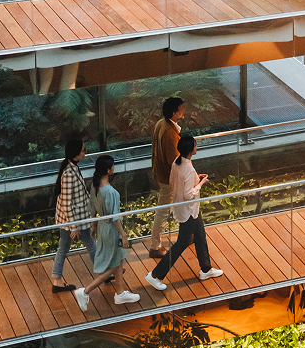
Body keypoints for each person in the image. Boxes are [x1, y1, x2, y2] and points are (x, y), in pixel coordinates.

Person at [144, 135, 224, 291]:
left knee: (200, 235)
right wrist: (201, 183)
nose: (196, 146)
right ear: (191, 150)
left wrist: (195, 178)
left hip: (187, 209)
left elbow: (174, 181)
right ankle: (155, 275)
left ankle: (206, 269)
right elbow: (189, 194)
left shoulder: (177, 162)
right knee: (182, 243)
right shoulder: (187, 168)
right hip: (189, 210)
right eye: (195, 145)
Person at [74, 155, 140, 311]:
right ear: (108, 170)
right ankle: (85, 291)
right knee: (114, 263)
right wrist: (123, 234)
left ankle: (120, 292)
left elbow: (92, 209)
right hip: (111, 230)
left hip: (103, 228)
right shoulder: (110, 191)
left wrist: (94, 226)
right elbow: (114, 217)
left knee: (119, 257)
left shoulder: (95, 186)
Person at [50, 138, 95, 293]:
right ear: (77, 154)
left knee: (68, 246)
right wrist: (74, 227)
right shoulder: (69, 173)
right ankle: (104, 272)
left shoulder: (71, 167)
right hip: (73, 220)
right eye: (84, 150)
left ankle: (57, 279)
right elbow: (67, 203)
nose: (85, 152)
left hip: (74, 219)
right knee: (80, 243)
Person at [148, 97, 185, 258]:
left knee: (183, 204)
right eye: (181, 108)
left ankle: (187, 235)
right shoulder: (170, 133)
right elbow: (175, 161)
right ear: (174, 112)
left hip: (162, 174)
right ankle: (155, 246)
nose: (183, 110)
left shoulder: (161, 124)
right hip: (168, 179)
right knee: (164, 210)